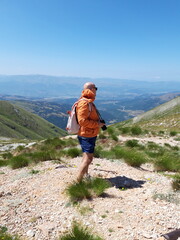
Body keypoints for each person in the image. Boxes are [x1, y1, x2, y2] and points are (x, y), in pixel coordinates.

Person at [76, 82, 105, 182]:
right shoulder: (84, 103)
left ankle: (86, 175)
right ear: (92, 89)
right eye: (95, 88)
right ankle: (78, 182)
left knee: (85, 156)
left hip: (88, 133)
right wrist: (97, 124)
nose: (96, 90)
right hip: (87, 134)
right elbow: (82, 121)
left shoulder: (87, 101)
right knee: (88, 158)